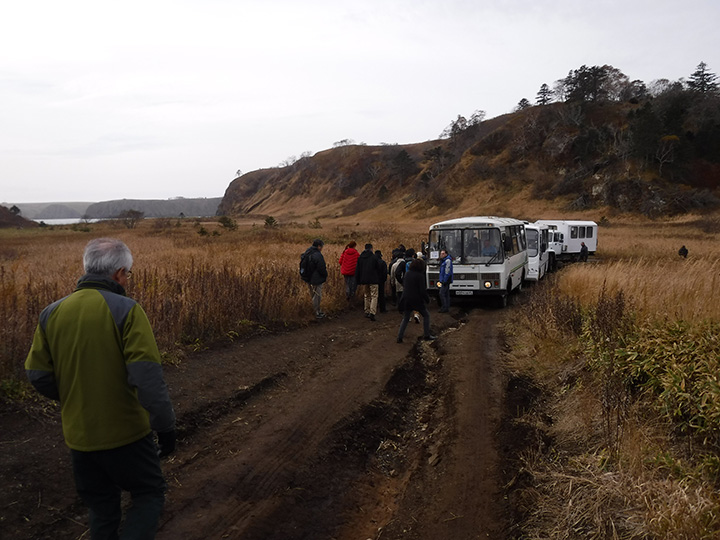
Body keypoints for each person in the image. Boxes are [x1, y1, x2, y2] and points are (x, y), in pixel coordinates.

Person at [24, 237, 176, 540]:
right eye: (128, 275)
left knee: (103, 507)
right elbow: (147, 379)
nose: (128, 280)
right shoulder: (128, 310)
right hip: (127, 436)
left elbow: (38, 374)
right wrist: (166, 427)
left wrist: (75, 393)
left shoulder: (51, 312)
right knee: (149, 493)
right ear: (119, 273)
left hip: (80, 439)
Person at [397, 258, 437, 343]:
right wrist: (427, 299)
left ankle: (399, 337)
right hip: (417, 300)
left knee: (406, 318)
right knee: (426, 315)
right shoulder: (420, 276)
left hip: (407, 298)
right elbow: (422, 290)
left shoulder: (407, 274)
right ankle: (427, 335)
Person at [354, 243, 382, 321]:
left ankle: (366, 311)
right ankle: (372, 312)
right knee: (374, 296)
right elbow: (378, 268)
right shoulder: (374, 257)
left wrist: (358, 280)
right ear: (371, 249)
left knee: (367, 295)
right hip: (374, 279)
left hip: (364, 279)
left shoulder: (360, 258)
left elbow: (358, 270)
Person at [302, 239, 328, 319]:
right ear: (319, 246)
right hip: (316, 279)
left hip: (308, 278)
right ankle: (316, 312)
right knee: (317, 296)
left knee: (312, 295)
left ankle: (313, 311)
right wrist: (325, 275)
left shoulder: (307, 252)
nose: (322, 248)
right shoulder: (317, 255)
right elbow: (321, 267)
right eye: (322, 246)